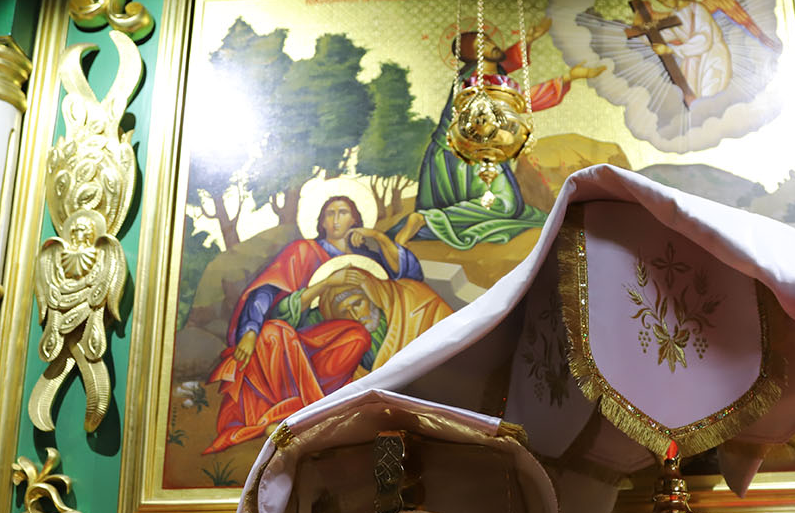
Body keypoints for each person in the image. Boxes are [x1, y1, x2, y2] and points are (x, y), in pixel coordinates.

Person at [202, 195, 425, 452]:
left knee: (357, 336)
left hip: (333, 348)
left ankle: (313, 408)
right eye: (329, 213)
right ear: (321, 222)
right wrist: (251, 329)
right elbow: (266, 291)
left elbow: (409, 276)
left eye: (343, 212)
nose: (336, 219)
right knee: (273, 332)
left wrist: (378, 237)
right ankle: (294, 415)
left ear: (355, 219)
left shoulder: (367, 254)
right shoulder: (303, 251)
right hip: (300, 340)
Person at [413, 22, 604, 250]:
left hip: (485, 150)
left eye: (488, 40)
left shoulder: (496, 74)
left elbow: (509, 69)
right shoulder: (473, 82)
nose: (492, 45)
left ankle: (435, 218)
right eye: (482, 45)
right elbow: (521, 100)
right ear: (473, 57)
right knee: (505, 205)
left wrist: (531, 40)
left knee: (513, 206)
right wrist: (568, 77)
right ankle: (429, 219)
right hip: (460, 158)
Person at [319, 265, 453, 375]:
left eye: (358, 304)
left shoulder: (416, 299)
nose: (354, 316)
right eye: (345, 312)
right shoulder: (348, 345)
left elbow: (451, 337)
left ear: (372, 294)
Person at [654, 0, 732, 99]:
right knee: (690, 94)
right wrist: (647, 30)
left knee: (709, 92)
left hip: (710, 55)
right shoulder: (673, 16)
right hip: (691, 58)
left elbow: (704, 38)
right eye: (662, 2)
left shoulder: (697, 9)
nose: (667, 4)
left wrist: (671, 50)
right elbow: (664, 35)